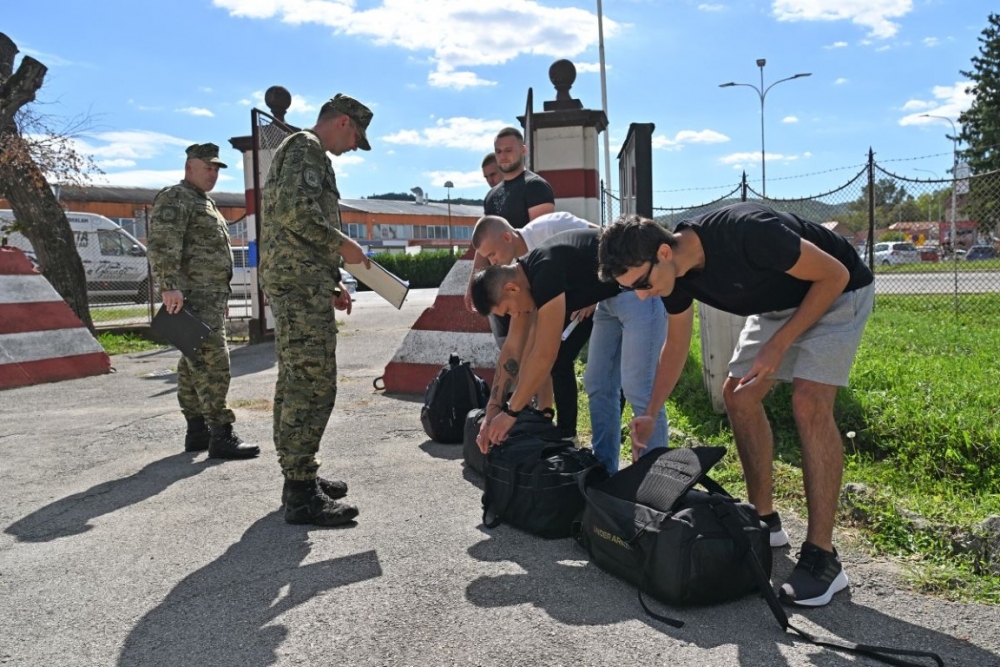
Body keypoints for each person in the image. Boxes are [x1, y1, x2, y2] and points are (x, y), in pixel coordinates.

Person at [597, 202, 875, 607]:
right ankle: (763, 525)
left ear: (663, 252)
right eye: (631, 289)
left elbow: (835, 274)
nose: (641, 296)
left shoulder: (747, 232)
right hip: (779, 304)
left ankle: (823, 557)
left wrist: (779, 344)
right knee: (738, 396)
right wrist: (650, 412)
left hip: (835, 291)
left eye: (641, 282)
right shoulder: (674, 278)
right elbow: (676, 347)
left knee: (809, 402)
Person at [259, 93, 374, 527]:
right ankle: (301, 492)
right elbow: (297, 214)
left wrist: (330, 281)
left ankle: (299, 476)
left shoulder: (305, 151)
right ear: (343, 122)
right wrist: (343, 245)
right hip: (296, 283)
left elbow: (298, 228)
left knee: (297, 379)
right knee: (312, 382)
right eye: (357, 136)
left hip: (303, 281)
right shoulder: (306, 148)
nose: (354, 147)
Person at [147, 143, 260, 460]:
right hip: (191, 297)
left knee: (191, 363)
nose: (213, 174)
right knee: (214, 364)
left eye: (216, 169)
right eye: (207, 167)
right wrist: (169, 285)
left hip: (209, 298)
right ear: (189, 167)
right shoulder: (176, 197)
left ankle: (197, 431)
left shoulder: (204, 202)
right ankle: (221, 434)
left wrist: (221, 296)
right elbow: (163, 242)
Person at [470, 228, 623, 453]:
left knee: (639, 389)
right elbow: (512, 350)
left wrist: (511, 412)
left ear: (511, 288)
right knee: (599, 385)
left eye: (509, 310)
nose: (514, 315)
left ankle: (655, 466)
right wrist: (492, 411)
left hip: (639, 287)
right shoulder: (524, 279)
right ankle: (606, 465)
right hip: (612, 297)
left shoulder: (544, 273)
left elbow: (544, 355)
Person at [483, 126, 554, 229]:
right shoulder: (490, 196)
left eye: (508, 150)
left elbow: (542, 235)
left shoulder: (536, 186)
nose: (503, 156)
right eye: (498, 151)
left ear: (523, 150)